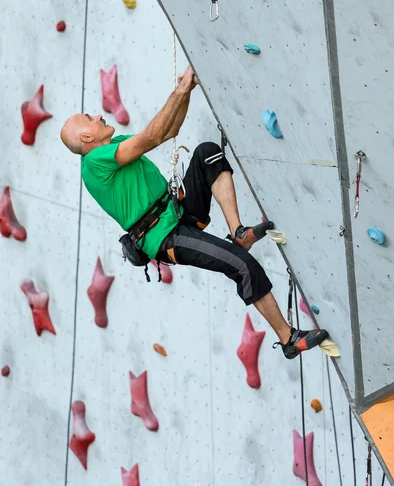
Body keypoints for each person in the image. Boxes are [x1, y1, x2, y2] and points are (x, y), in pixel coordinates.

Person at [60, 66, 329, 359]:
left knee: (206, 153)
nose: (98, 115)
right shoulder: (94, 163)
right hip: (166, 236)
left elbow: (168, 131)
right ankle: (288, 338)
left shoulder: (110, 144)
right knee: (242, 266)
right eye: (90, 119)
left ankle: (239, 232)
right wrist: (180, 90)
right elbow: (151, 137)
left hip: (177, 210)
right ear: (86, 138)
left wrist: (186, 91)